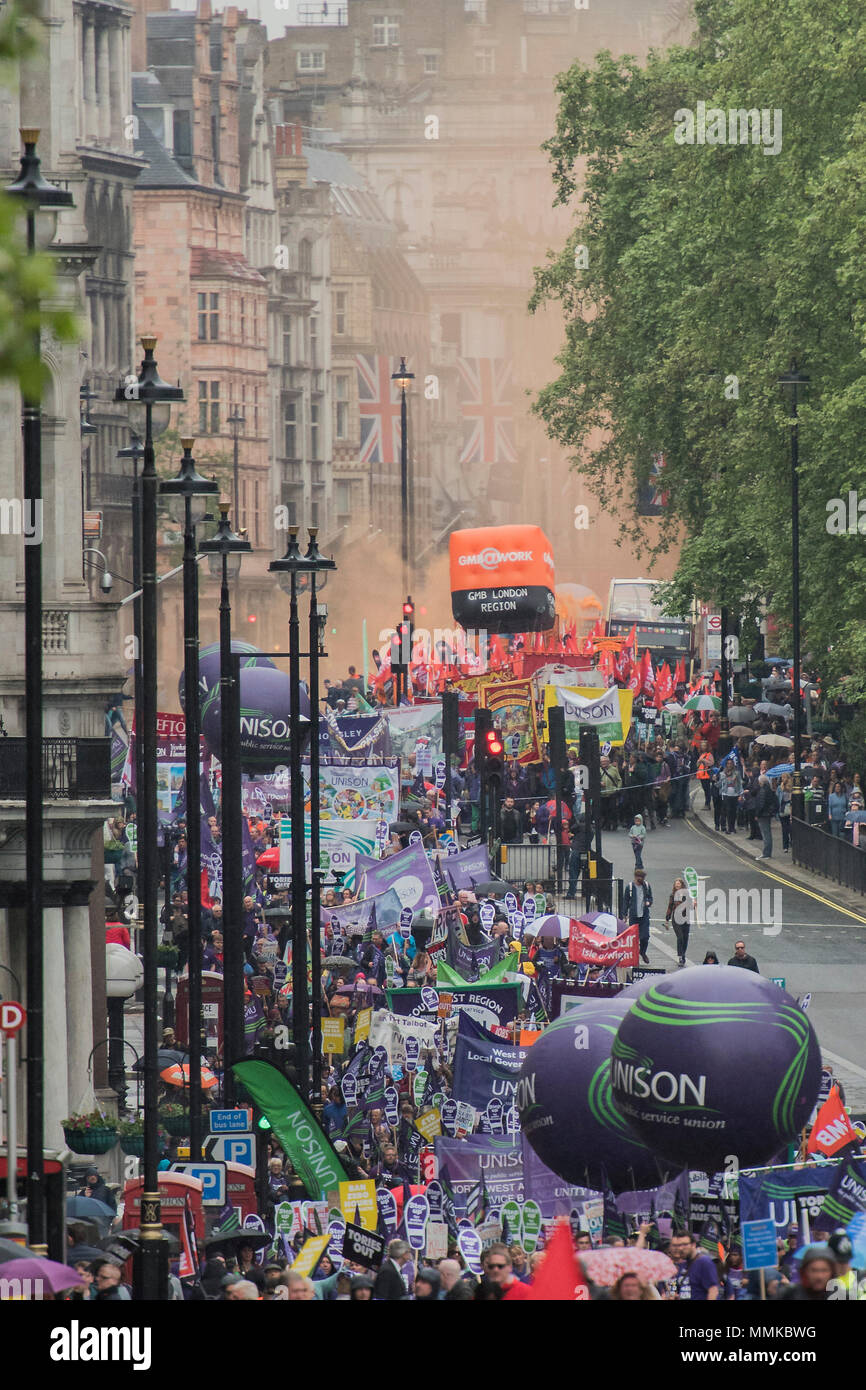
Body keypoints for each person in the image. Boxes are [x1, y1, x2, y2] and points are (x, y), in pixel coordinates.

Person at [669, 1231, 720, 1301]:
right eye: (678, 1245)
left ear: (693, 1244)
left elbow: (713, 1290)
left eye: (684, 1244)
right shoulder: (683, 1265)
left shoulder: (704, 1262)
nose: (680, 1248)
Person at [623, 868, 653, 965]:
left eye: (643, 878)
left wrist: (649, 902)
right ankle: (635, 958)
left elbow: (650, 897)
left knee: (645, 936)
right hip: (634, 916)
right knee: (634, 938)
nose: (641, 880)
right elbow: (625, 901)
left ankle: (643, 952)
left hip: (644, 915)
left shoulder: (647, 886)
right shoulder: (630, 887)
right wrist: (625, 914)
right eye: (639, 878)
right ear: (636, 877)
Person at [664, 876, 692, 966]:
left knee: (685, 938)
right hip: (676, 919)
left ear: (682, 885)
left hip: (686, 919)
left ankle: (683, 954)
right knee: (680, 937)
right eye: (676, 884)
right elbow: (670, 907)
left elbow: (690, 906)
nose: (677, 885)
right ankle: (680, 956)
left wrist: (694, 904)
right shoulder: (672, 895)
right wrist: (667, 919)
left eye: (679, 884)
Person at [754, 773, 778, 859]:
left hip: (763, 815)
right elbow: (775, 802)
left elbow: (761, 804)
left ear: (761, 782)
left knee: (766, 834)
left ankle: (766, 853)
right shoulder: (770, 790)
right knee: (767, 833)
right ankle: (767, 853)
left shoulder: (763, 790)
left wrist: (757, 814)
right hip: (767, 814)